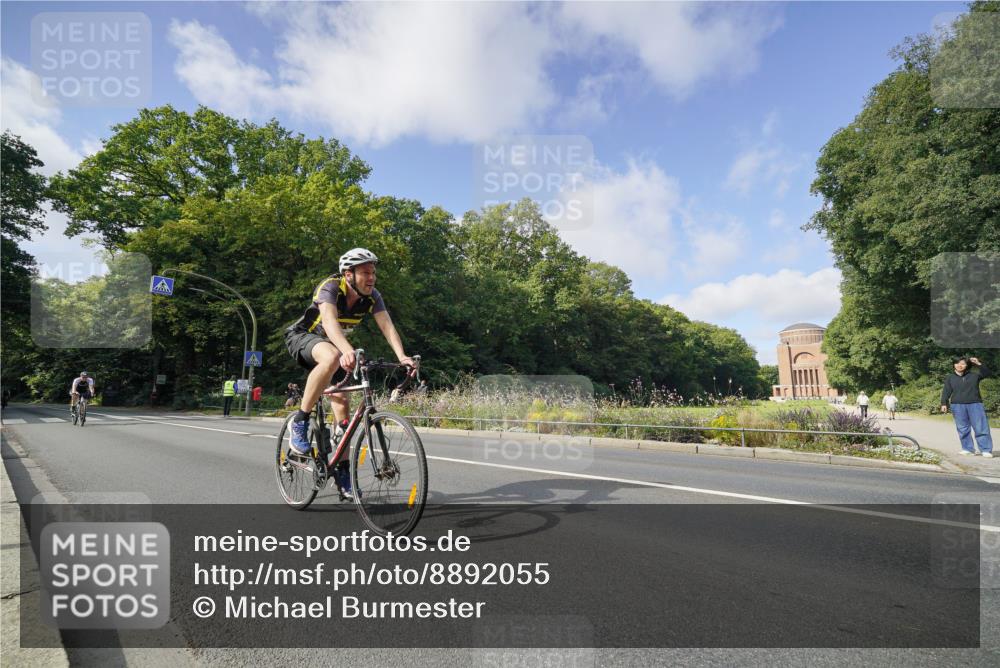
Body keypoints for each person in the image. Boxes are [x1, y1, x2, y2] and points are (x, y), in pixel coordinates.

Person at [283, 248, 417, 499]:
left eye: (373, 272)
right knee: (332, 356)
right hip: (304, 338)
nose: (372, 278)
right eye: (365, 272)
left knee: (343, 408)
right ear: (348, 274)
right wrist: (347, 350)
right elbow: (330, 323)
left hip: (334, 348)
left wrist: (402, 357)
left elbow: (388, 327)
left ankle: (342, 474)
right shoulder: (331, 287)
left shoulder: (373, 297)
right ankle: (300, 421)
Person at [941, 356, 994, 458]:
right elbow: (946, 391)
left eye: (962, 364)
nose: (959, 365)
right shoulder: (950, 377)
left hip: (975, 404)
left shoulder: (974, 375)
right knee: (962, 428)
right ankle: (967, 449)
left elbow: (987, 373)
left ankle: (986, 450)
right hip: (957, 405)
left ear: (967, 365)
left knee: (981, 427)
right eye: (957, 363)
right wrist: (944, 403)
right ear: (954, 365)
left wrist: (978, 363)